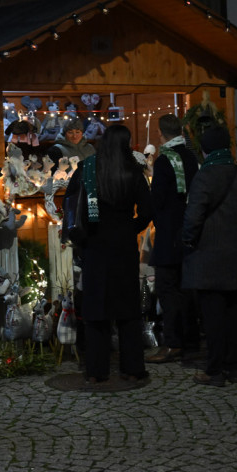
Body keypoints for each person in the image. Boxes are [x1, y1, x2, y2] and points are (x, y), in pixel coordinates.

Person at [64, 124, 152, 383]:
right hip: (124, 245)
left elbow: (70, 204)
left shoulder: (87, 169)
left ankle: (96, 370)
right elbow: (147, 210)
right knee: (127, 308)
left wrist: (81, 240)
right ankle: (133, 367)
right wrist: (131, 227)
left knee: (96, 309)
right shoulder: (133, 171)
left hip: (95, 244)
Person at [181, 125, 237, 386]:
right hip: (235, 254)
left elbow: (193, 217)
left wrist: (187, 241)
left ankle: (214, 370)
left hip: (208, 255)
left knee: (213, 314)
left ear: (204, 150)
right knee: (233, 311)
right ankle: (233, 366)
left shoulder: (204, 176)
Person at [146, 114, 201, 364]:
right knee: (187, 289)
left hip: (169, 234)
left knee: (167, 290)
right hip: (190, 231)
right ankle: (190, 339)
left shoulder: (164, 160)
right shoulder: (190, 156)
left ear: (161, 133)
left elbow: (156, 199)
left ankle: (172, 343)